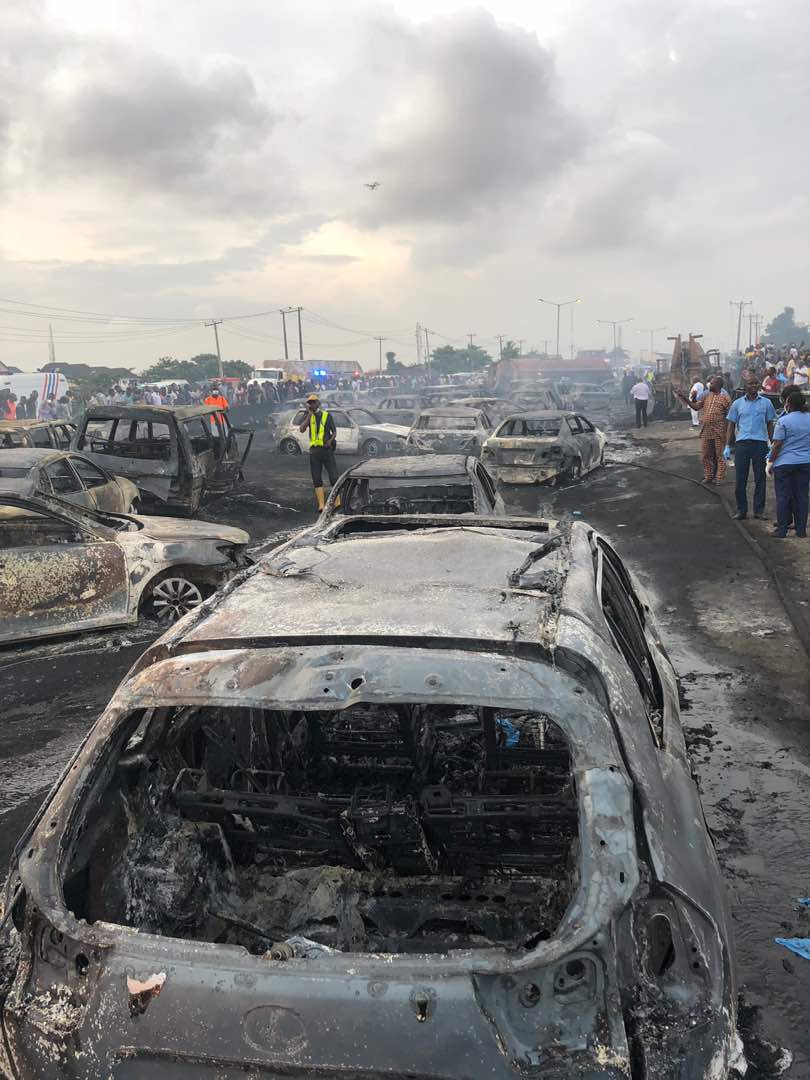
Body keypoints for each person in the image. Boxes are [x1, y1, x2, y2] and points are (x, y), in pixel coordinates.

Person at [724, 378, 777, 520]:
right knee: (740, 479)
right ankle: (741, 510)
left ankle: (759, 511)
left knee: (760, 478)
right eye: (750, 383)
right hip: (742, 444)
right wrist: (727, 445)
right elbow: (731, 425)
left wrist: (772, 445)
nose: (753, 385)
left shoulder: (766, 403)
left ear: (758, 385)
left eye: (755, 383)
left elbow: (770, 424)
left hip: (760, 444)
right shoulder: (737, 404)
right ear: (744, 386)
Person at [767, 392, 810, 538]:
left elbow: (777, 444)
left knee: (783, 496)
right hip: (805, 462)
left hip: (785, 464)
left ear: (788, 404)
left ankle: (782, 530)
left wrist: (770, 462)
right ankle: (801, 530)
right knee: (802, 496)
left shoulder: (783, 421)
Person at [675, 376, 730, 483]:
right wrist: (684, 397)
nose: (709, 384)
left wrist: (727, 433)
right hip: (706, 431)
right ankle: (709, 476)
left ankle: (719, 478)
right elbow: (696, 407)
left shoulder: (725, 398)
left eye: (712, 383)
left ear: (718, 385)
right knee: (705, 455)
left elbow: (730, 417)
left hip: (719, 431)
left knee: (719, 455)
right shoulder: (706, 396)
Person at [298, 393, 338, 511]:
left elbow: (334, 431)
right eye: (310, 403)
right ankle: (321, 505)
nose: (311, 404)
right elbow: (302, 429)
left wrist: (330, 441)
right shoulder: (308, 416)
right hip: (314, 452)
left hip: (326, 450)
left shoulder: (327, 415)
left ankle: (337, 502)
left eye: (313, 402)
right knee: (316, 478)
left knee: (333, 477)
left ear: (318, 403)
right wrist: (309, 416)